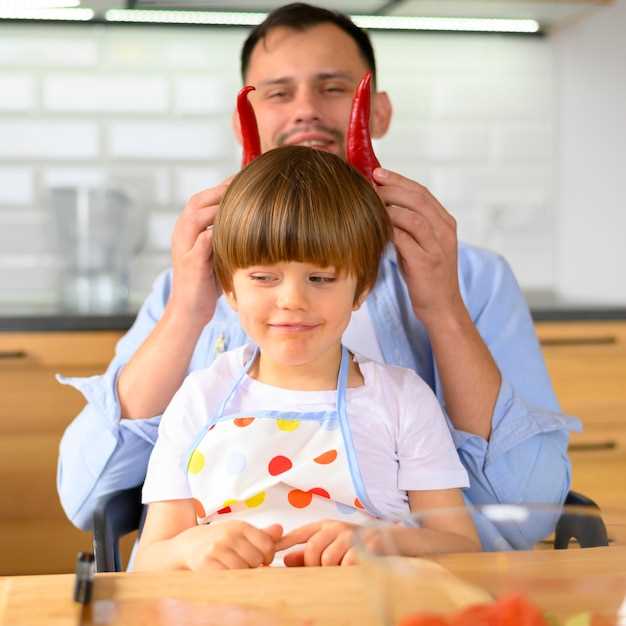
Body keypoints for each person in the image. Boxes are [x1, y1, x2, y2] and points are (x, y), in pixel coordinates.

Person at [57, 2, 579, 550]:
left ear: (378, 113)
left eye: (333, 88)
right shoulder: (188, 286)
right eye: (278, 93)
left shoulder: (475, 279)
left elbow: (530, 509)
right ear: (245, 122)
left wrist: (443, 309)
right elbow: (86, 496)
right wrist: (189, 309)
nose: (305, 110)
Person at [133, 146, 479, 571]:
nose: (292, 301)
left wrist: (386, 541)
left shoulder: (402, 399)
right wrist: (189, 549)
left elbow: (461, 546)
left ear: (362, 287)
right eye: (263, 277)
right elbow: (148, 563)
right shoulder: (201, 397)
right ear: (229, 287)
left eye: (321, 278)